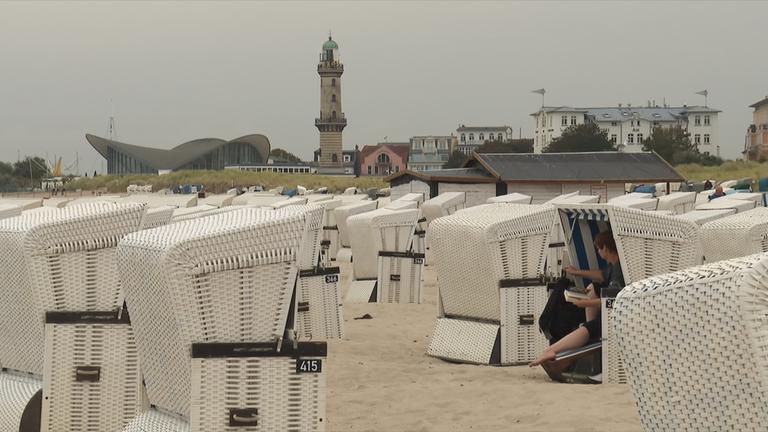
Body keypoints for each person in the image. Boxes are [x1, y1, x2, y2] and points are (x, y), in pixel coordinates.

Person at [530, 230, 625, 367]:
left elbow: (612, 300)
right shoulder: (614, 266)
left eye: (598, 248)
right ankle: (589, 332)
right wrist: (577, 272)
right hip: (609, 310)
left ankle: (552, 350)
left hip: (614, 314)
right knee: (593, 287)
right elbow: (600, 275)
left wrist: (583, 303)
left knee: (587, 328)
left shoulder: (619, 271)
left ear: (605, 248)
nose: (598, 252)